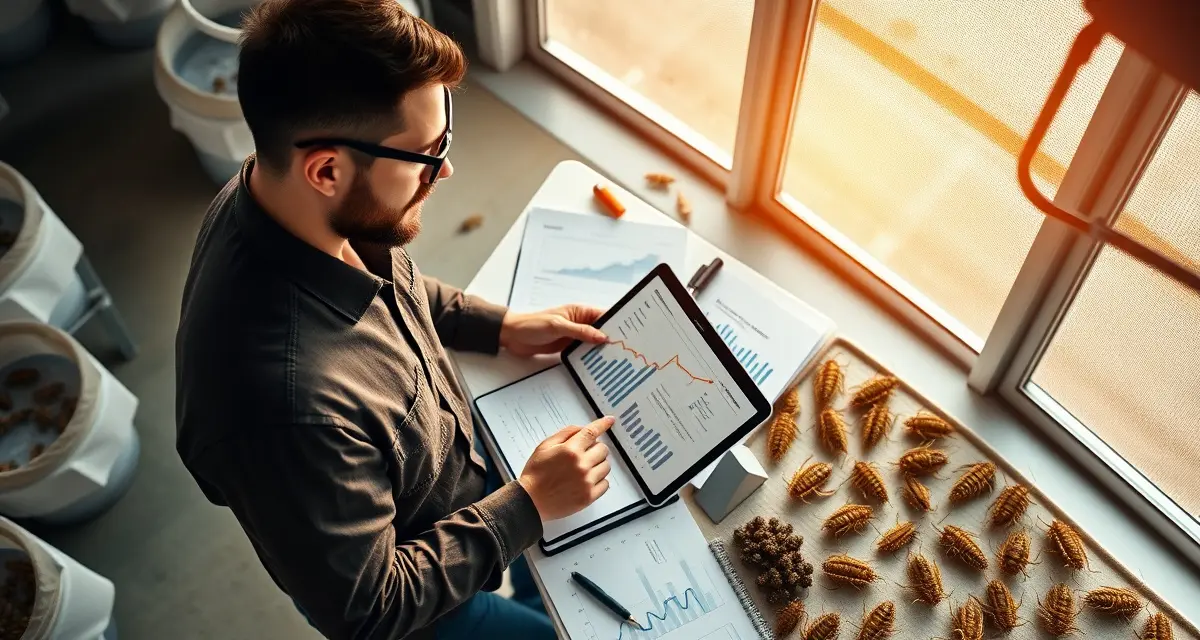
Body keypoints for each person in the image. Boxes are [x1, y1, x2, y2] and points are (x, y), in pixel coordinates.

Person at [173, 2, 614, 638]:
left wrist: (495, 324)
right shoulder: (287, 411)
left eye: (446, 137)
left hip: (452, 494)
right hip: (428, 608)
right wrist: (528, 505)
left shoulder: (284, 200)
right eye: (423, 154)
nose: (446, 169)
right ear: (326, 169)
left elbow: (390, 292)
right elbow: (370, 610)